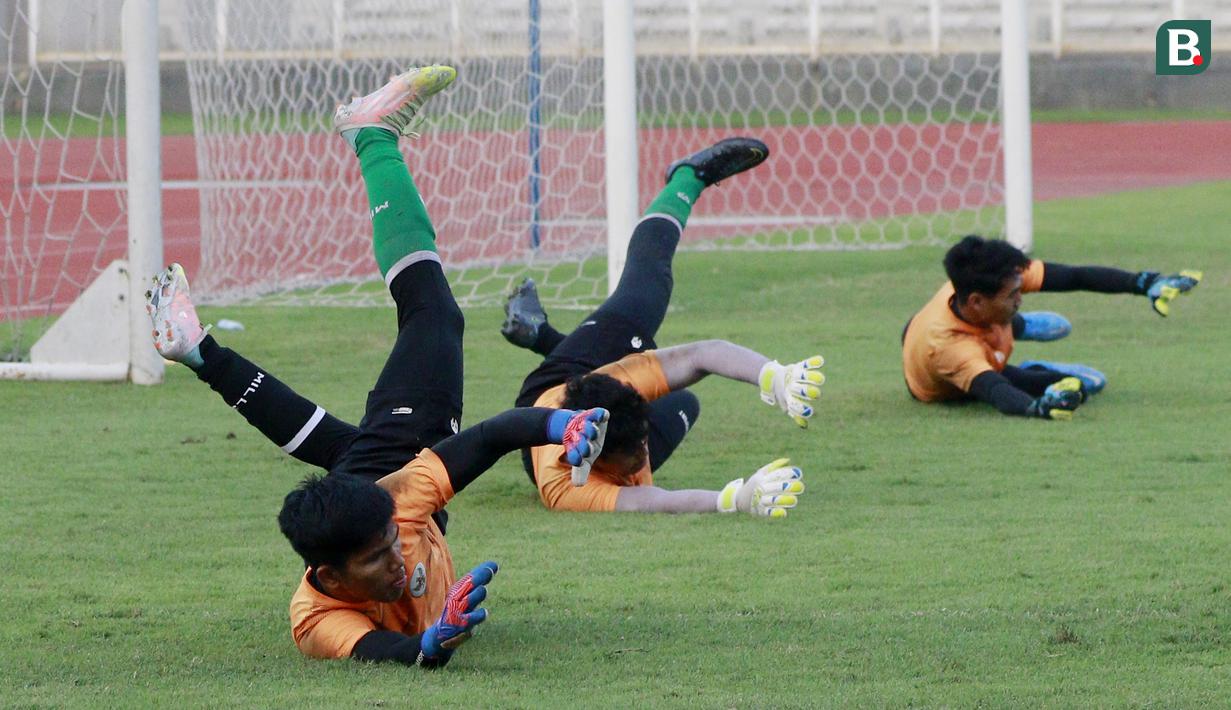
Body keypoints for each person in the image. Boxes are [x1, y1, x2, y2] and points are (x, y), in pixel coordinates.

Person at [145, 65, 612, 668]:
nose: (397, 559)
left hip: (398, 452)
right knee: (327, 437)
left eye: (391, 542)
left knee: (436, 315)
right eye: (378, 556)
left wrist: (562, 427)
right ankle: (199, 352)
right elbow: (391, 652)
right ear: (331, 577)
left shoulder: (402, 498)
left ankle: (371, 136)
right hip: (369, 470)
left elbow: (498, 434)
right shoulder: (319, 619)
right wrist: (432, 642)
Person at [500, 138, 824, 515]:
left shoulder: (622, 379)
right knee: (684, 402)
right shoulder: (569, 489)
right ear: (592, 458)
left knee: (648, 287)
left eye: (641, 440)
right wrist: (734, 498)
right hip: (541, 434)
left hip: (558, 383)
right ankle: (542, 335)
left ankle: (687, 179)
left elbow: (702, 355)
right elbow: (653, 500)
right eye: (635, 449)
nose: (643, 452)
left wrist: (774, 376)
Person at [901, 234, 1202, 419]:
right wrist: (1039, 408)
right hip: (948, 379)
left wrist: (1145, 283)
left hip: (940, 330)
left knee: (1003, 321)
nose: (1022, 295)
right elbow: (996, 391)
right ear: (977, 301)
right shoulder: (951, 348)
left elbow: (1076, 277)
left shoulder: (985, 279)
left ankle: (1019, 326)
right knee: (1082, 386)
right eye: (1013, 295)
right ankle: (1028, 355)